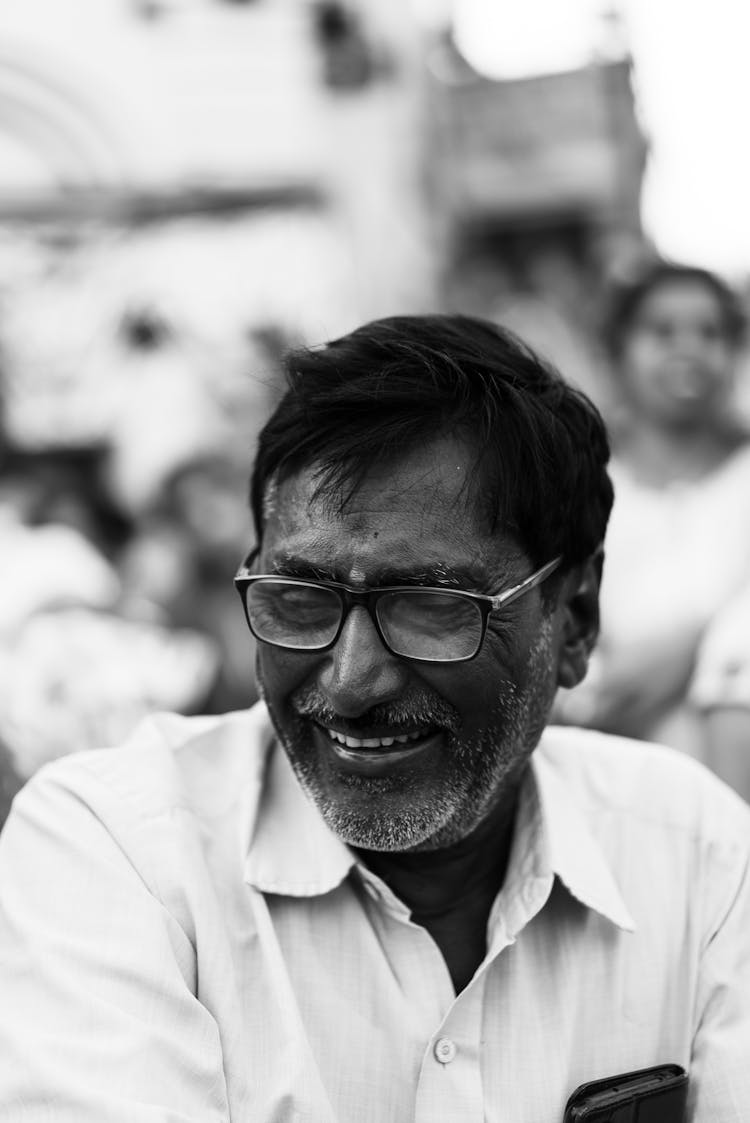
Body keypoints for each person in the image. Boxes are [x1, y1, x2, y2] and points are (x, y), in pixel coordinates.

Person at [0, 314, 748, 1122]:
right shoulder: (119, 850)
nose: (352, 680)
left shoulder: (695, 853)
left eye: (431, 606)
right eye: (299, 598)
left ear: (575, 620)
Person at [556, 261, 750, 798]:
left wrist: (692, 647)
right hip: (615, 720)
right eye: (662, 332)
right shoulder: (582, 480)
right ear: (618, 351)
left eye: (710, 333)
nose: (687, 349)